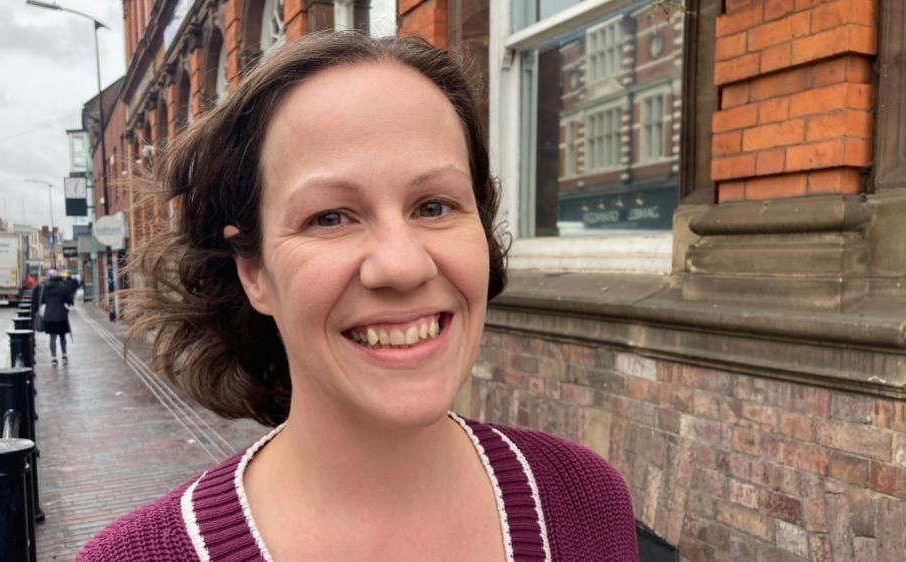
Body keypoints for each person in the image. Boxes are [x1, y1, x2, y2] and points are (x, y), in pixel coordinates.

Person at [78, 32, 637, 561]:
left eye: (434, 206)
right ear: (254, 271)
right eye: (329, 218)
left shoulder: (586, 501)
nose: (402, 265)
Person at [40, 269, 73, 365]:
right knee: (62, 336)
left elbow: (42, 300)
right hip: (61, 315)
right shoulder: (63, 286)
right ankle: (64, 355)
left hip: (49, 316)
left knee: (52, 337)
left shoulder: (45, 288)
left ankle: (53, 358)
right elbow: (68, 299)